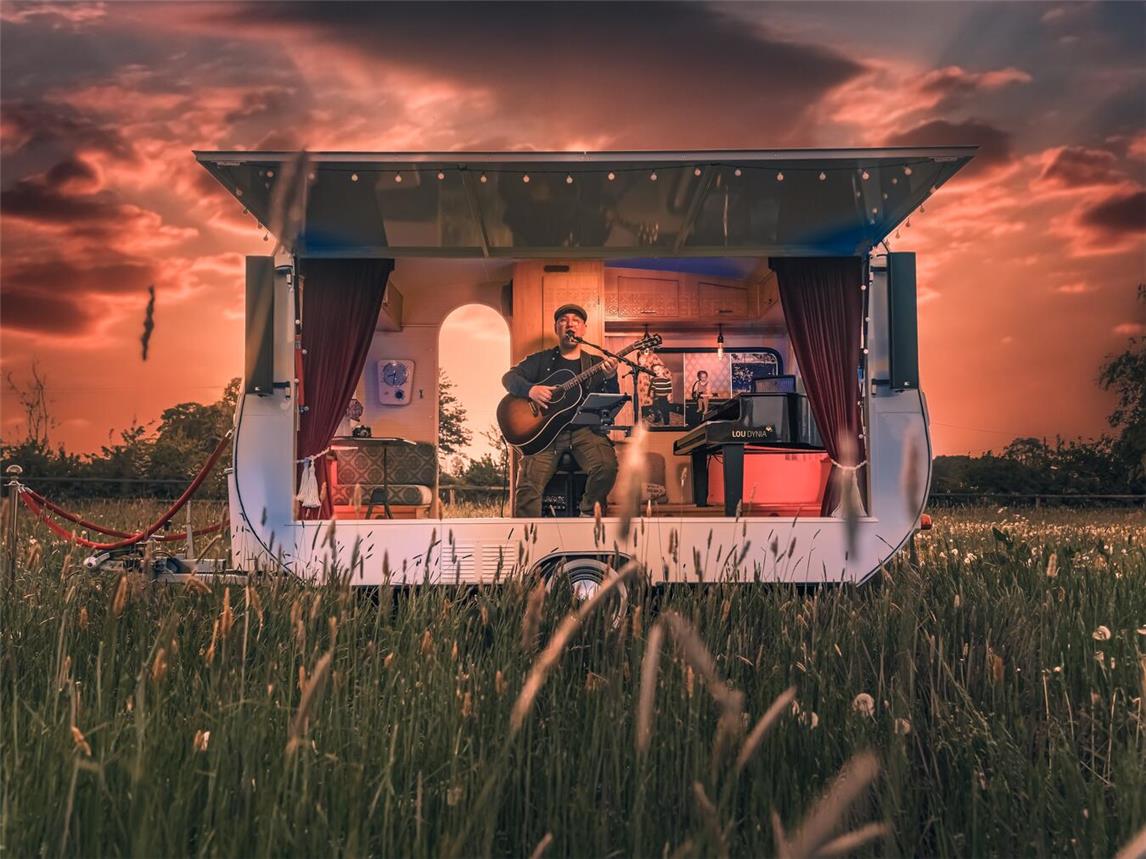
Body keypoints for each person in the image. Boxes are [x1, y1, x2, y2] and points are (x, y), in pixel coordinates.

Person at [502, 304, 619, 517]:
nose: (570, 324)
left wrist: (611, 378)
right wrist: (531, 390)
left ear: (584, 329)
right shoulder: (541, 360)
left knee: (607, 466)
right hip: (545, 435)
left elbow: (610, 403)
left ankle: (587, 513)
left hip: (584, 431)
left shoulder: (595, 363)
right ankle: (527, 541)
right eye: (563, 320)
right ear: (557, 328)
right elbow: (508, 379)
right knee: (528, 487)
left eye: (576, 320)